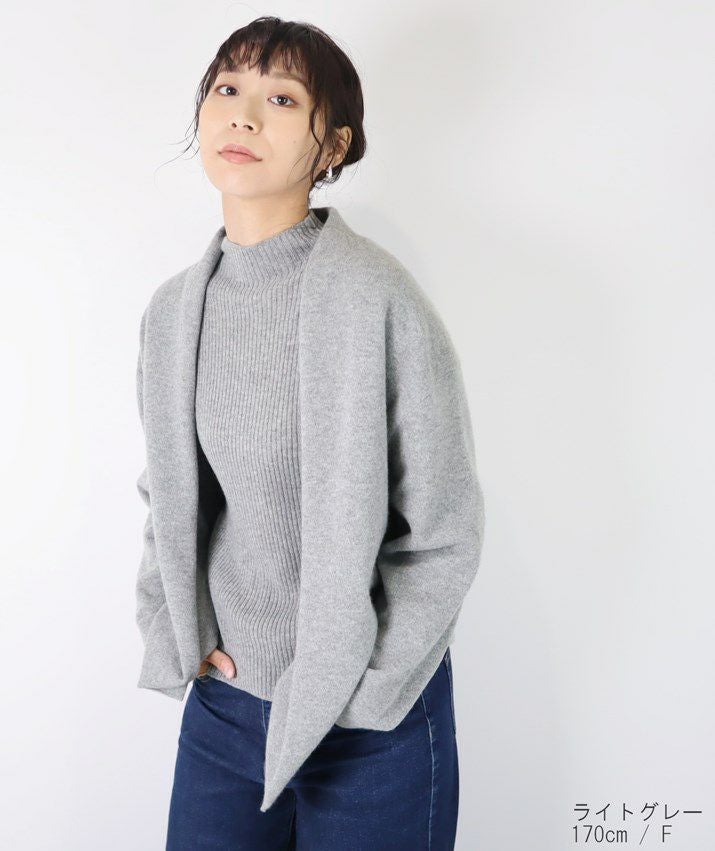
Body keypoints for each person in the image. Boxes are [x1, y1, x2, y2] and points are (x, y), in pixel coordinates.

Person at [133, 15, 485, 850]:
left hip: (371, 725)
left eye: (282, 98)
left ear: (333, 144)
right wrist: (175, 630)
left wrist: (368, 687)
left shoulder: (378, 299)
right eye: (227, 88)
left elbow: (442, 528)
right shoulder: (173, 311)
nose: (243, 114)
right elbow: (168, 497)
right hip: (225, 709)